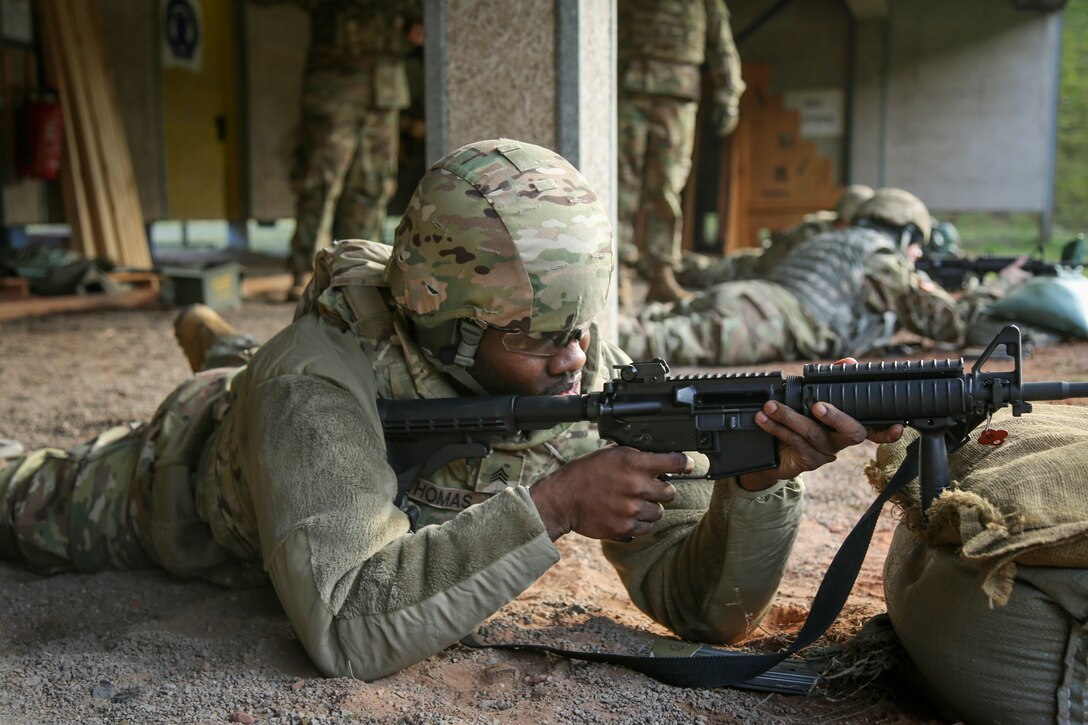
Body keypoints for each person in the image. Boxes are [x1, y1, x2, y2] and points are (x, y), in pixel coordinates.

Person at [0, 139, 901, 681]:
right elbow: (349, 625)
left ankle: (215, 337)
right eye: (538, 338)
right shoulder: (312, 383)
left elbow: (702, 610)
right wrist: (552, 506)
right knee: (21, 499)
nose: (576, 358)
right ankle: (222, 357)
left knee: (247, 362)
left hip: (306, 412)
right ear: (452, 328)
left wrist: (758, 480)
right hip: (181, 474)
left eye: (580, 327)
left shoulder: (567, 353)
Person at [619, 187, 966, 366]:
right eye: (917, 245)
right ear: (904, 233)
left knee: (641, 324)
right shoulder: (879, 255)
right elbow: (944, 323)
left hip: (746, 296)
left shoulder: (830, 237)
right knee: (642, 344)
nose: (918, 254)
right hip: (771, 318)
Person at [255, 0, 422, 299]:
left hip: (384, 94)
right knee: (320, 181)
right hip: (336, 90)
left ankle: (359, 273)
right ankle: (308, 273)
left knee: (373, 186)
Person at [616, 0, 745, 304]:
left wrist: (729, 95)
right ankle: (620, 268)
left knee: (666, 187)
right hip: (629, 89)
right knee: (622, 184)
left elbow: (721, 44)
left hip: (678, 96)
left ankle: (662, 273)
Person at [677, 184, 876, 289]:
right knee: (699, 273)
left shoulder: (843, 237)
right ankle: (660, 264)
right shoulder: (816, 231)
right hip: (752, 269)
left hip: (761, 269)